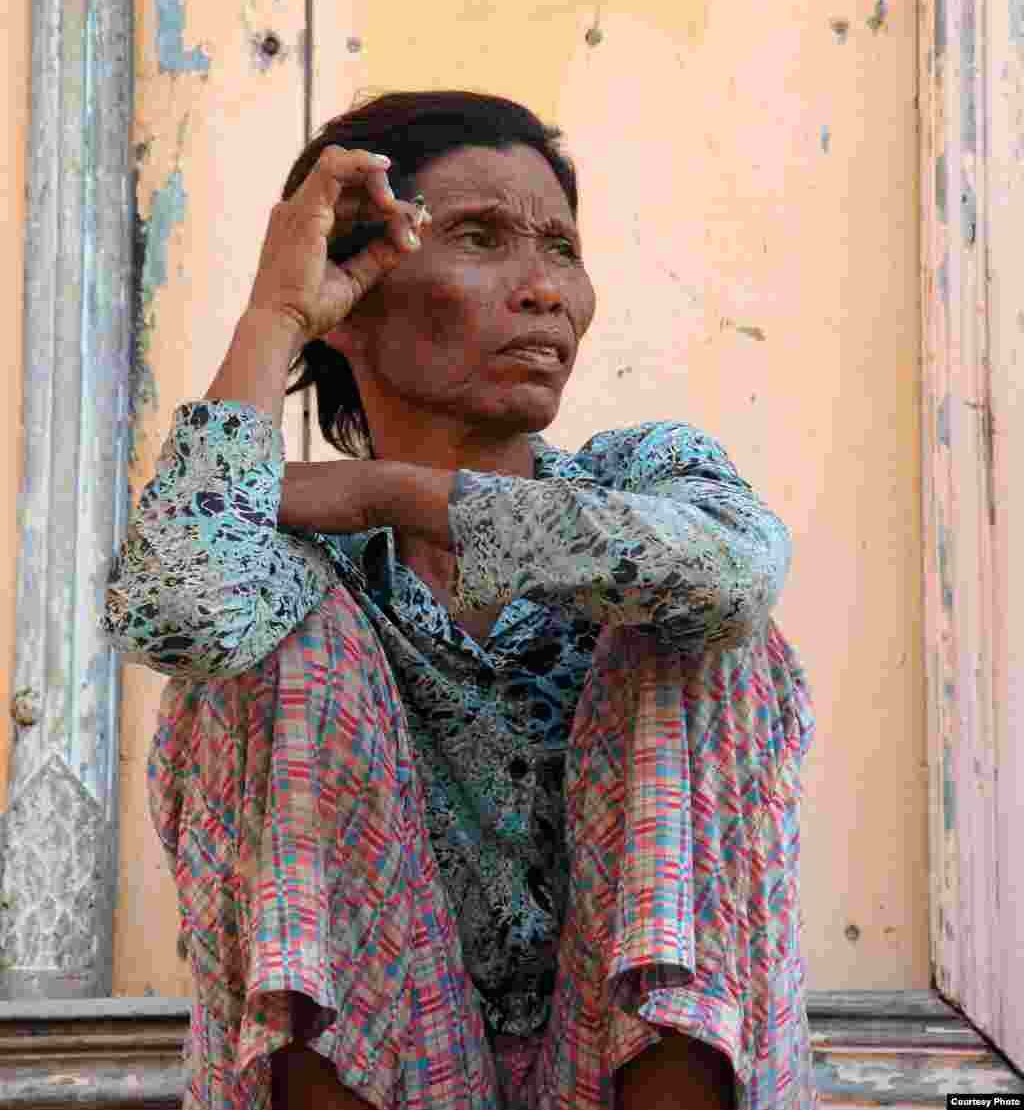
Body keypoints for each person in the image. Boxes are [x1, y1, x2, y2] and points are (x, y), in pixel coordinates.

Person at [103, 90, 817, 1110]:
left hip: (609, 1070)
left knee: (693, 623)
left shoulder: (642, 476)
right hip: (400, 1069)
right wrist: (275, 316)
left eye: (562, 248)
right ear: (353, 296)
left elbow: (735, 573)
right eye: (481, 238)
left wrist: (389, 493)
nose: (545, 290)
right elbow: (177, 612)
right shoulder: (303, 562)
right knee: (278, 641)